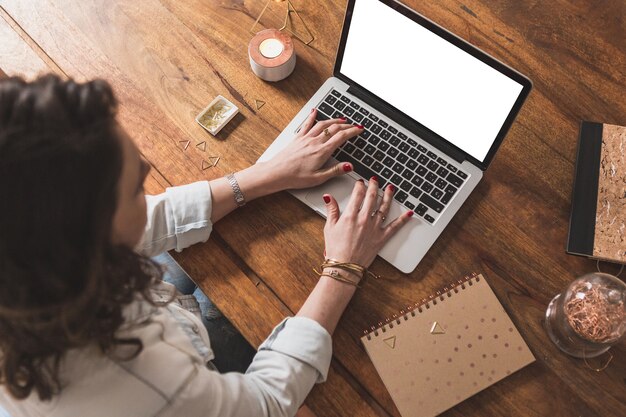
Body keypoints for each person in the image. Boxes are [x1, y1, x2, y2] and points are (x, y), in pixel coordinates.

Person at [0, 75, 412, 417]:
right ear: (86, 245)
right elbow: (265, 403)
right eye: (135, 189)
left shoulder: (26, 252)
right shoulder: (142, 385)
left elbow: (146, 221)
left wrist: (266, 175)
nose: (149, 182)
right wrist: (344, 267)